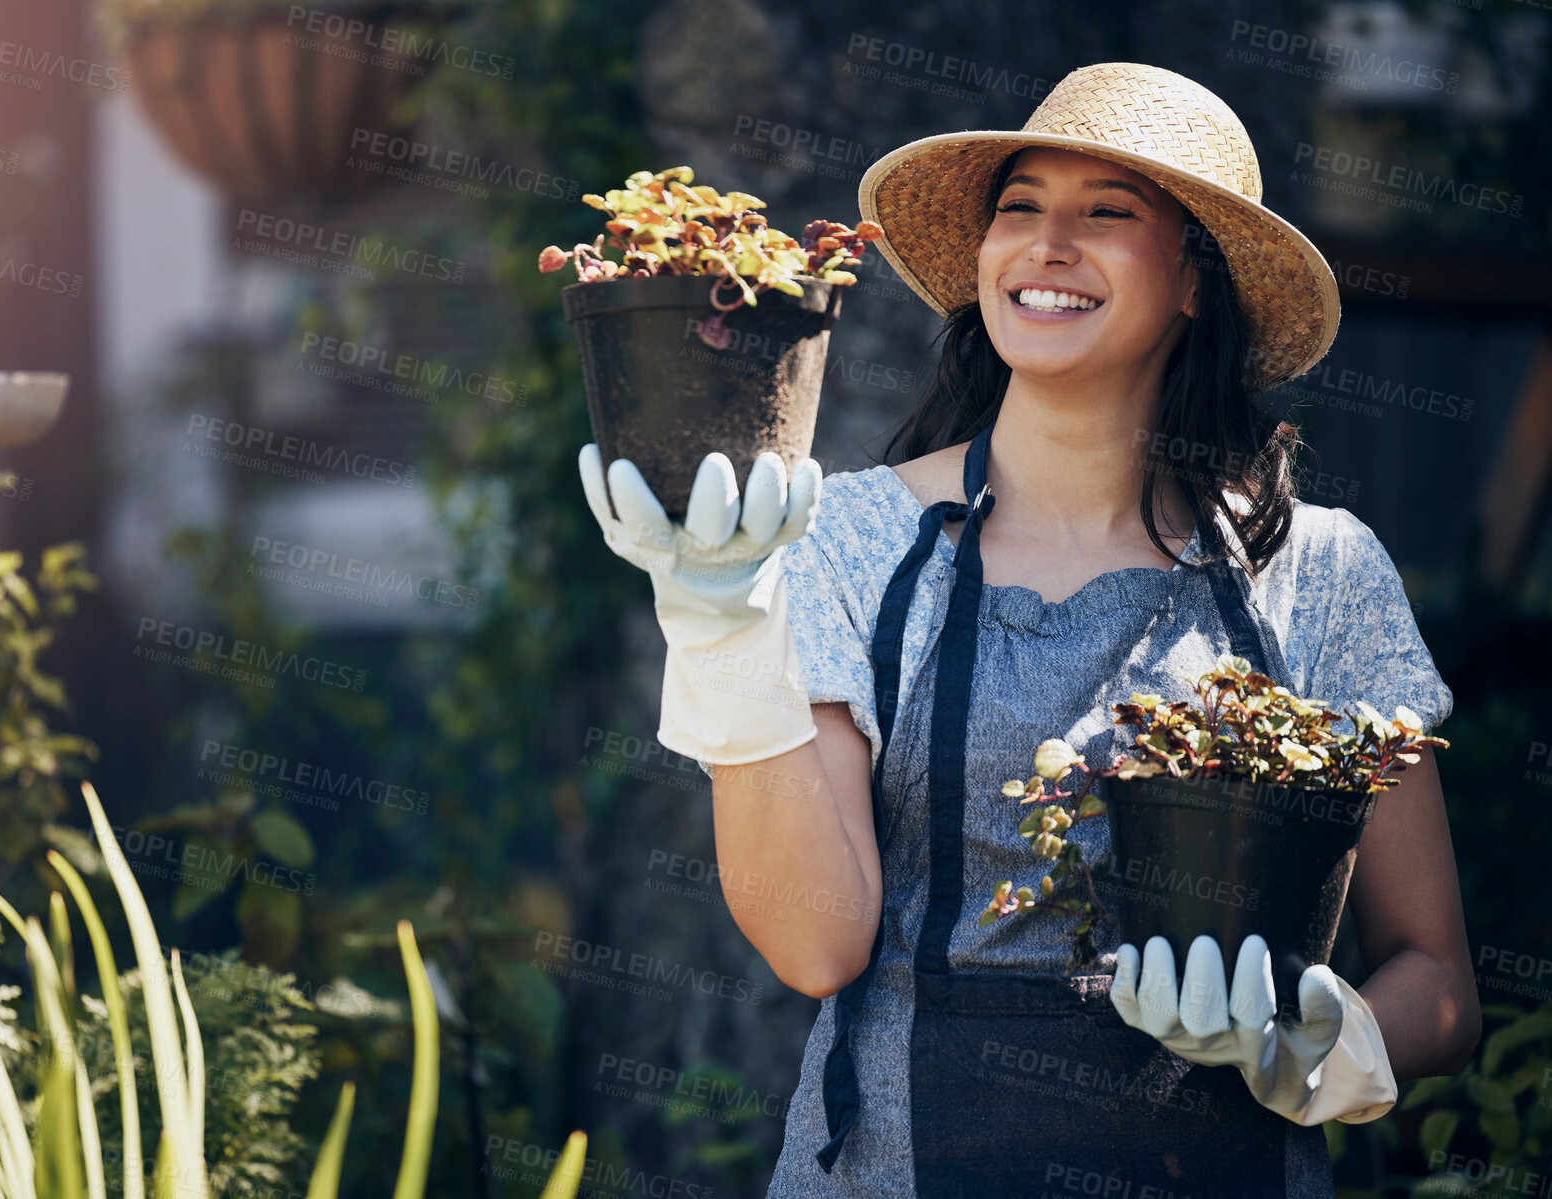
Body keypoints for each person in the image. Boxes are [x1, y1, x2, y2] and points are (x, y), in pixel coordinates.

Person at [577, 62, 1480, 1198]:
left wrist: (1318, 1040)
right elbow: (816, 944)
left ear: (1198, 280)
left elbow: (1437, 979)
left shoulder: (1322, 570)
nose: (1047, 244)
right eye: (1019, 207)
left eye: (1106, 213)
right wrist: (722, 628)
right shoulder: (843, 539)